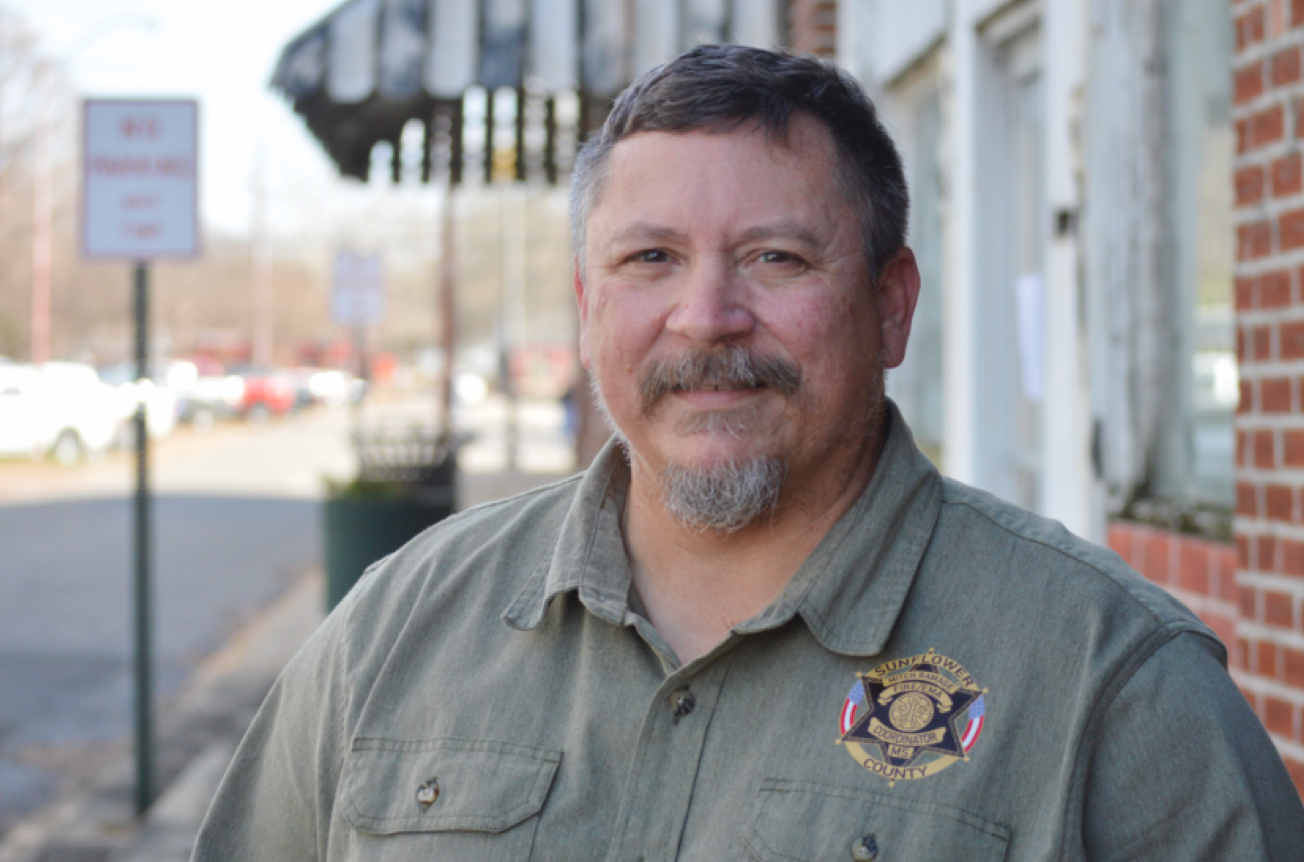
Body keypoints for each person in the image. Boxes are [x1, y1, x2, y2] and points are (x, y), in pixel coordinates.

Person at [193, 45, 1304, 860]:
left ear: (890, 305)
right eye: (649, 259)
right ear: (586, 305)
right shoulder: (394, 632)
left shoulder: (1112, 687)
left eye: (775, 257)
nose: (705, 317)